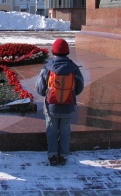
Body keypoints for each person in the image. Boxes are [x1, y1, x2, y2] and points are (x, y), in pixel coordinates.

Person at [35, 38, 84, 166]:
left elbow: (40, 88)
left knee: (51, 130)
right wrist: (70, 94)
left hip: (52, 106)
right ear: (67, 52)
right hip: (68, 106)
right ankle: (63, 156)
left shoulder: (48, 68)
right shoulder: (74, 68)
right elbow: (80, 87)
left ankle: (52, 156)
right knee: (65, 130)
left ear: (53, 51)